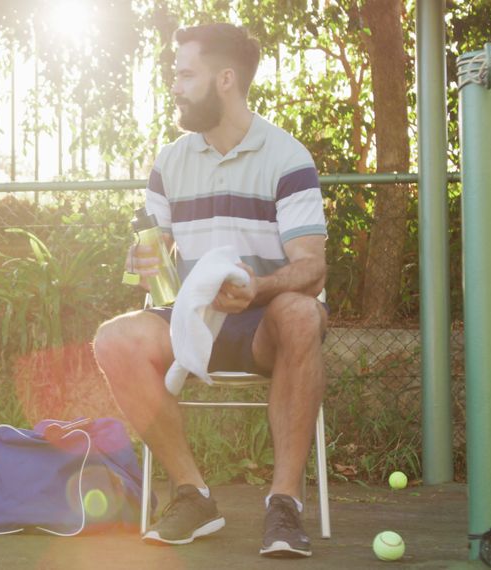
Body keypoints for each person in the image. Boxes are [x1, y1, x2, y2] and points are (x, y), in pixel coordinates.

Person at [92, 23, 328, 558]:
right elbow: (157, 281)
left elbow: (312, 268)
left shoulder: (287, 157)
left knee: (301, 313)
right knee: (113, 340)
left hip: (262, 321)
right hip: (190, 320)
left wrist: (259, 288)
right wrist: (147, 262)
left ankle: (284, 504)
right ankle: (192, 494)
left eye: (184, 73)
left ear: (225, 79)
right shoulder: (169, 161)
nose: (173, 85)